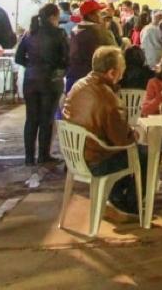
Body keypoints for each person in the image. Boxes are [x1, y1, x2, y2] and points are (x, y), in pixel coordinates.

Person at [62, 45, 145, 219]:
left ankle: (115, 198)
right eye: (121, 70)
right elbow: (123, 140)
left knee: (127, 151)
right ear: (112, 73)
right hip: (97, 160)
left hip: (75, 156)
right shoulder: (108, 99)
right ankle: (130, 204)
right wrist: (136, 134)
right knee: (145, 153)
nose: (123, 74)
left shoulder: (78, 85)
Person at [14, 3, 69, 166]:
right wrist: (58, 70)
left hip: (30, 80)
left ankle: (29, 157)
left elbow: (18, 58)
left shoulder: (29, 33)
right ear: (53, 17)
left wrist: (31, 65)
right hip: (50, 81)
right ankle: (43, 155)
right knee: (46, 119)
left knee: (31, 119)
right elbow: (66, 58)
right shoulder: (59, 34)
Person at [66, 0, 117, 93]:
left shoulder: (74, 31)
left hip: (72, 80)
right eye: (98, 13)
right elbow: (115, 55)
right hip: (92, 82)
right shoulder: (101, 32)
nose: (101, 16)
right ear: (91, 16)